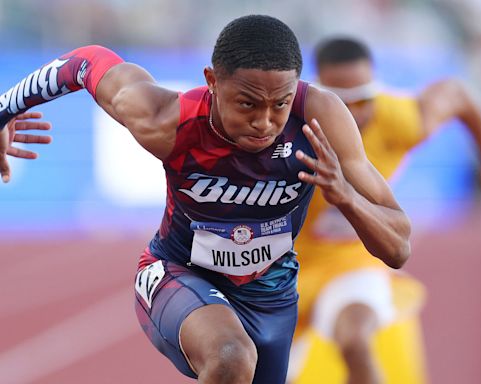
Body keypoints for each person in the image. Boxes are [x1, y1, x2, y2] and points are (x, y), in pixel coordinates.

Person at [0, 16, 412, 384]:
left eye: (280, 104)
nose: (264, 122)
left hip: (271, 293)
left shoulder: (321, 118)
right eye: (247, 103)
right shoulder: (165, 120)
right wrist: (4, 110)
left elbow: (397, 247)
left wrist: (346, 197)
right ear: (212, 81)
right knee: (231, 357)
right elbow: (84, 62)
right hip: (178, 273)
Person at [289, 37, 481, 384]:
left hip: (350, 263)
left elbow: (457, 94)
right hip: (280, 267)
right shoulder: (290, 129)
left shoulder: (397, 119)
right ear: (319, 95)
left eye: (364, 99)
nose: (355, 114)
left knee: (356, 342)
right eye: (341, 102)